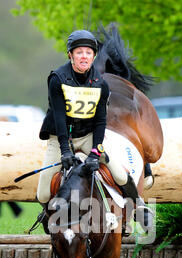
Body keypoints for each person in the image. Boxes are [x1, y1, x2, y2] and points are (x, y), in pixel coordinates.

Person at [36, 29, 153, 233]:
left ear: (94, 56)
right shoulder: (57, 79)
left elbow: (100, 122)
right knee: (43, 194)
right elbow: (59, 118)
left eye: (88, 53)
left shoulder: (101, 84)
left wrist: (96, 151)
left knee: (118, 171)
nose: (84, 57)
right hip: (60, 137)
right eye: (79, 52)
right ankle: (49, 214)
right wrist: (65, 151)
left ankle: (139, 205)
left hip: (89, 136)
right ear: (70, 55)